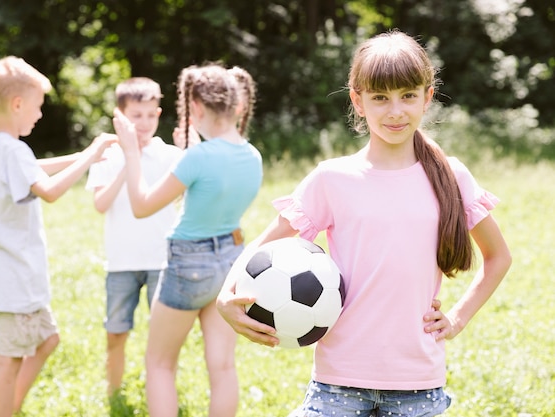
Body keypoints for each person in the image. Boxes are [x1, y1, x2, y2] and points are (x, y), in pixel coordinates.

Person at [217, 30, 512, 417]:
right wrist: (226, 295)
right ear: (358, 100)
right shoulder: (332, 178)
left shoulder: (452, 176)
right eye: (380, 98)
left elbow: (498, 257)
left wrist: (457, 318)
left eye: (408, 95)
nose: (395, 111)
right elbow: (265, 243)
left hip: (417, 385)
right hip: (338, 382)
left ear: (427, 96)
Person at [112, 63, 262, 417]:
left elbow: (141, 205)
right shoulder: (251, 156)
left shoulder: (197, 157)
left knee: (160, 364)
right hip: (230, 260)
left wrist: (131, 152)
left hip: (188, 265)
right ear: (236, 105)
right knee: (223, 367)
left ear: (195, 107)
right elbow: (213, 187)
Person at [0, 56, 116, 417]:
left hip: (13, 273)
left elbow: (33, 169)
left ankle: (11, 407)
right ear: (17, 104)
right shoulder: (12, 149)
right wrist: (90, 156)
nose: (39, 115)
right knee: (10, 361)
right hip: (15, 275)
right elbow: (48, 190)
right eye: (37, 107)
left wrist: (84, 156)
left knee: (48, 340)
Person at [84, 77, 182, 397]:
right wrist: (130, 161)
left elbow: (185, 198)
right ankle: (114, 393)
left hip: (160, 260)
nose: (144, 123)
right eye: (136, 116)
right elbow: (100, 204)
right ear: (121, 117)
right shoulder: (108, 156)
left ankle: (161, 391)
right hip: (122, 262)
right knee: (116, 333)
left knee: (164, 336)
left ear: (158, 114)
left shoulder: (170, 155)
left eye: (151, 115)